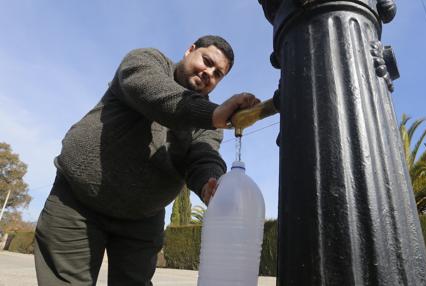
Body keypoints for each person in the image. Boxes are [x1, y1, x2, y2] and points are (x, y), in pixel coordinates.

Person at [34, 35, 260, 285]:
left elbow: (203, 155)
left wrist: (211, 182)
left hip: (143, 220)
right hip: (78, 201)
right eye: (207, 62)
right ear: (190, 50)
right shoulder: (146, 62)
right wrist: (213, 114)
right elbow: (153, 93)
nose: (209, 73)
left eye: (218, 74)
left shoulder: (208, 123)